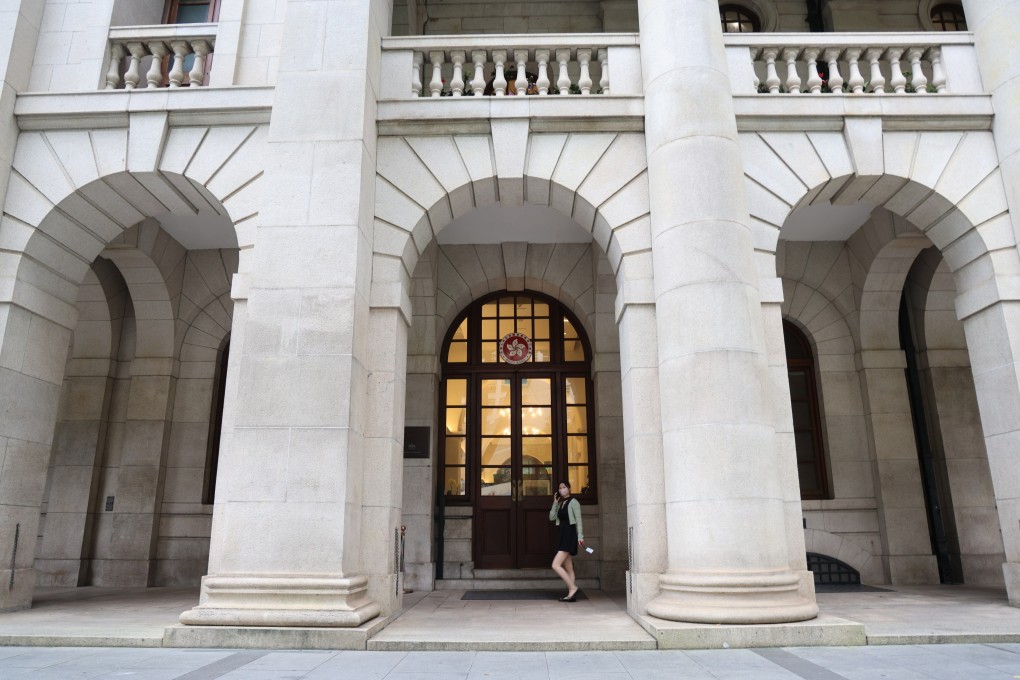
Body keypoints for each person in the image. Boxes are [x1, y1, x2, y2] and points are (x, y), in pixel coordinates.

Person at [549, 481, 584, 602]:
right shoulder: (560, 503)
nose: (562, 490)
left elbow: (579, 520)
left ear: (569, 488)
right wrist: (554, 503)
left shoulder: (574, 502)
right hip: (562, 535)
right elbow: (552, 517)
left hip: (569, 535)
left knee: (555, 565)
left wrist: (580, 536)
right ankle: (571, 595)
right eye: (560, 488)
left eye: (564, 487)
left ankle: (573, 587)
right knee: (568, 568)